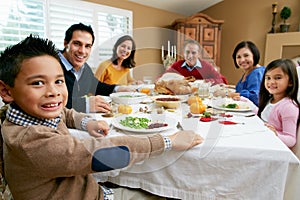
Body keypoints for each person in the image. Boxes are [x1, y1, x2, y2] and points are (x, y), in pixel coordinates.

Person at [0, 35, 203, 200]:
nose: (53, 92)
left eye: (59, 81)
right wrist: (167, 141)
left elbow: (66, 113)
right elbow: (104, 154)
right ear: (6, 91)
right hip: (90, 195)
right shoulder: (33, 143)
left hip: (84, 187)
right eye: (37, 83)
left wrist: (87, 122)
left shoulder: (28, 115)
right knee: (162, 192)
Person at [59, 23, 134, 114]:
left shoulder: (84, 67)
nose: (82, 51)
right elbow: (51, 101)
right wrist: (85, 104)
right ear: (65, 43)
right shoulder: (51, 65)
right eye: (77, 44)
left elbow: (96, 85)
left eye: (87, 46)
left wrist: (117, 88)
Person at [257, 58, 299, 148]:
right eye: (268, 78)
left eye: (278, 78)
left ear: (290, 82)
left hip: (273, 148)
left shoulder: (288, 107)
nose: (271, 82)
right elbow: (265, 116)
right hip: (263, 141)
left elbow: (291, 140)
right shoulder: (271, 99)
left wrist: (275, 135)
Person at [162, 39, 228, 85]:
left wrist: (204, 82)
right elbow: (161, 79)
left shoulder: (206, 66)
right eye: (187, 52)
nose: (190, 56)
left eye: (193, 53)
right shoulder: (177, 65)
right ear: (183, 53)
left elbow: (223, 81)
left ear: (198, 54)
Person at [229, 41, 265, 106]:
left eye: (246, 55)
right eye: (238, 57)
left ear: (254, 55)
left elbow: (256, 97)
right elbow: (246, 88)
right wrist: (228, 86)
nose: (242, 60)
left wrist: (229, 95)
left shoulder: (257, 73)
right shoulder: (249, 71)